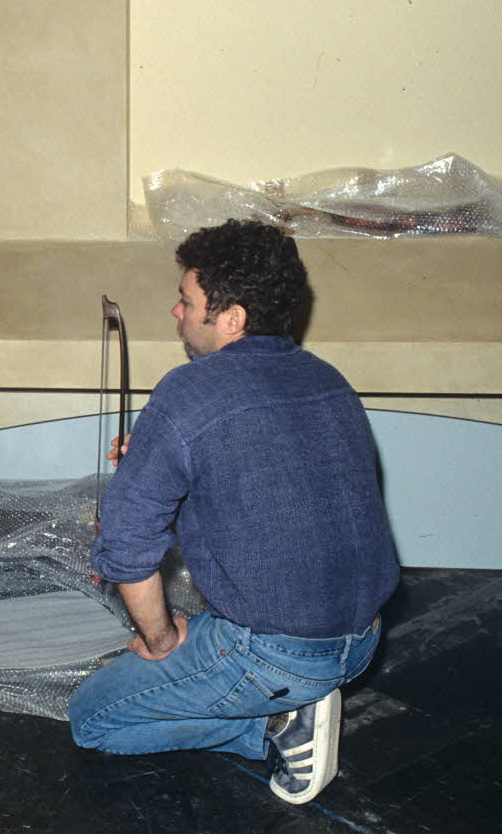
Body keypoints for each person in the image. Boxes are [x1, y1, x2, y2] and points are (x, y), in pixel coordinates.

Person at [68, 219, 399, 804]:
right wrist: (163, 460)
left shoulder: (189, 390)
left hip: (283, 656)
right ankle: (290, 696)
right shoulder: (328, 379)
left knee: (96, 718)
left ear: (233, 318)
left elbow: (127, 544)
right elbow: (281, 493)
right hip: (365, 636)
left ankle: (276, 723)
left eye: (187, 301)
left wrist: (162, 636)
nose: (176, 312)